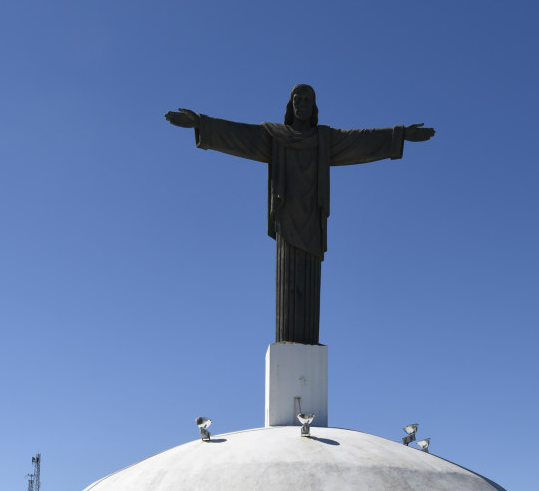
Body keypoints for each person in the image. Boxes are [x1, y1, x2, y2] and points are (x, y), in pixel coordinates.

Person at [165, 84, 434, 344]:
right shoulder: (275, 136)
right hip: (286, 219)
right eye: (298, 99)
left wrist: (398, 135)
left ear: (314, 106)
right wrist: (202, 123)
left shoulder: (324, 140)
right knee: (288, 283)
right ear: (290, 105)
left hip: (312, 222)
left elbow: (360, 140)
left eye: (307, 100)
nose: (302, 104)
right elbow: (240, 135)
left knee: (310, 287)